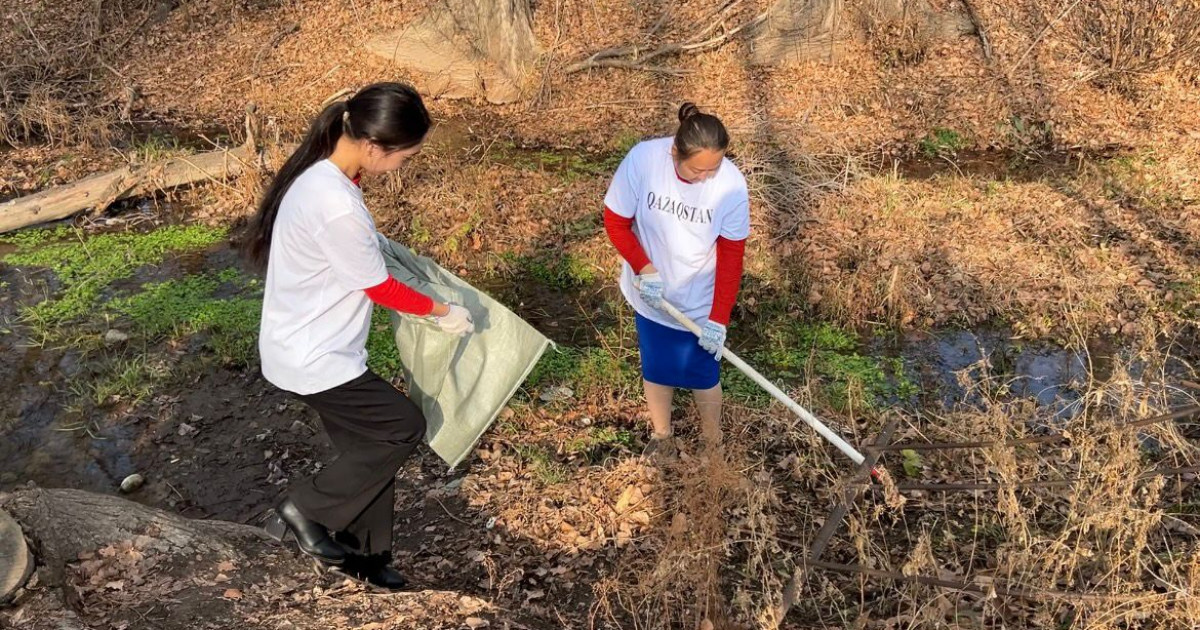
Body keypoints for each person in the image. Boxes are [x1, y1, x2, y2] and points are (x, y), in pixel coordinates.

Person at [246, 82, 474, 591]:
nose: (402, 167)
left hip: (300, 345)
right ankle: (301, 509)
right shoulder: (336, 202)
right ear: (374, 147)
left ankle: (367, 556)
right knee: (400, 428)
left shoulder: (324, 174)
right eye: (404, 157)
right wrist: (443, 311)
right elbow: (378, 286)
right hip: (316, 358)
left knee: (369, 451)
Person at [603, 102, 750, 461]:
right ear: (675, 152)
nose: (705, 177)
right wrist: (643, 268)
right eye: (697, 169)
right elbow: (615, 221)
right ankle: (662, 436)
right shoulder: (644, 161)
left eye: (713, 168)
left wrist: (718, 318)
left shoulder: (730, 185)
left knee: (703, 372)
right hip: (652, 292)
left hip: (699, 296)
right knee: (657, 364)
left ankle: (713, 445)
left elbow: (731, 258)